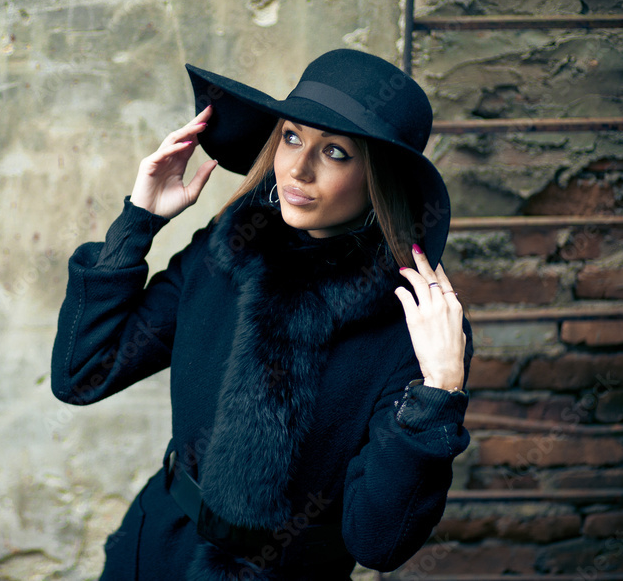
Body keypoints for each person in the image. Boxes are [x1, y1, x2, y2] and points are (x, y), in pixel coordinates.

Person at [50, 49, 472, 580]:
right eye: (292, 137)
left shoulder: (417, 326)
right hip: (156, 551)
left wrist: (439, 395)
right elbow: (82, 373)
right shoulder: (224, 252)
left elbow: (379, 542)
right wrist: (138, 224)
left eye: (336, 152)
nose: (299, 168)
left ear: (379, 178)